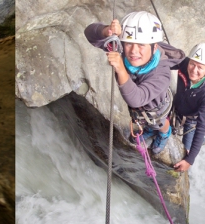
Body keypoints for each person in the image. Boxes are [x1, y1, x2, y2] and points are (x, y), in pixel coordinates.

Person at [85, 11, 185, 154]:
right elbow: (89, 34)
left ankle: (164, 134)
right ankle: (150, 129)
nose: (133, 51)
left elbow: (137, 98)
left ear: (154, 47)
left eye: (141, 45)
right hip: (140, 111)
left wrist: (120, 68)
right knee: (148, 123)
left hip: (157, 107)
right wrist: (106, 31)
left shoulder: (162, 73)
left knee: (160, 123)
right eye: (129, 44)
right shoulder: (122, 50)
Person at [171, 43, 205, 172]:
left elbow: (201, 128)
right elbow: (163, 62)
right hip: (177, 108)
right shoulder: (184, 64)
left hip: (193, 121)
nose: (194, 70)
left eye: (200, 67)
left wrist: (189, 160)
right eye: (192, 64)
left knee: (186, 150)